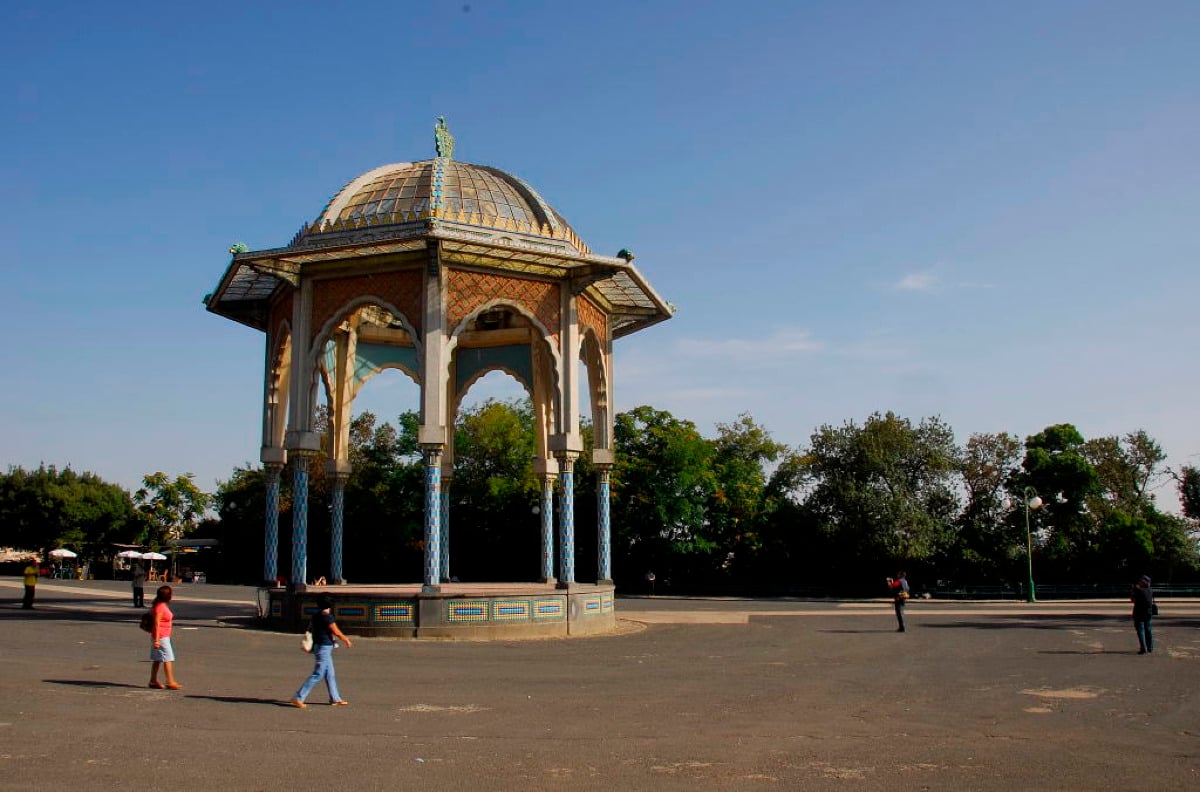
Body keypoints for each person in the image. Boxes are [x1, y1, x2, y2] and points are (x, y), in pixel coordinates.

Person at [291, 595, 352, 708]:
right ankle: (298, 697)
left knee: (330, 674)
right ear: (329, 605)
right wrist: (346, 639)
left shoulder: (316, 615)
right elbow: (336, 631)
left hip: (319, 646)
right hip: (324, 647)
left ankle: (335, 698)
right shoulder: (327, 617)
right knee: (318, 674)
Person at [148, 585, 182, 690]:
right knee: (168, 658)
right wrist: (157, 640)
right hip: (161, 637)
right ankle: (170, 681)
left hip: (161, 636)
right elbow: (157, 623)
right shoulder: (160, 607)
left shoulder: (160, 605)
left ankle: (153, 680)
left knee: (157, 659)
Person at [1131, 574, 1156, 655]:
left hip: (1139, 613)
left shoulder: (1138, 590)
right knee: (1148, 630)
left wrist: (1134, 589)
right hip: (1148, 613)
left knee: (1140, 630)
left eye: (1140, 581)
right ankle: (1150, 648)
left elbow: (1133, 600)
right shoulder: (1150, 590)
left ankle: (1143, 648)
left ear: (1143, 582)